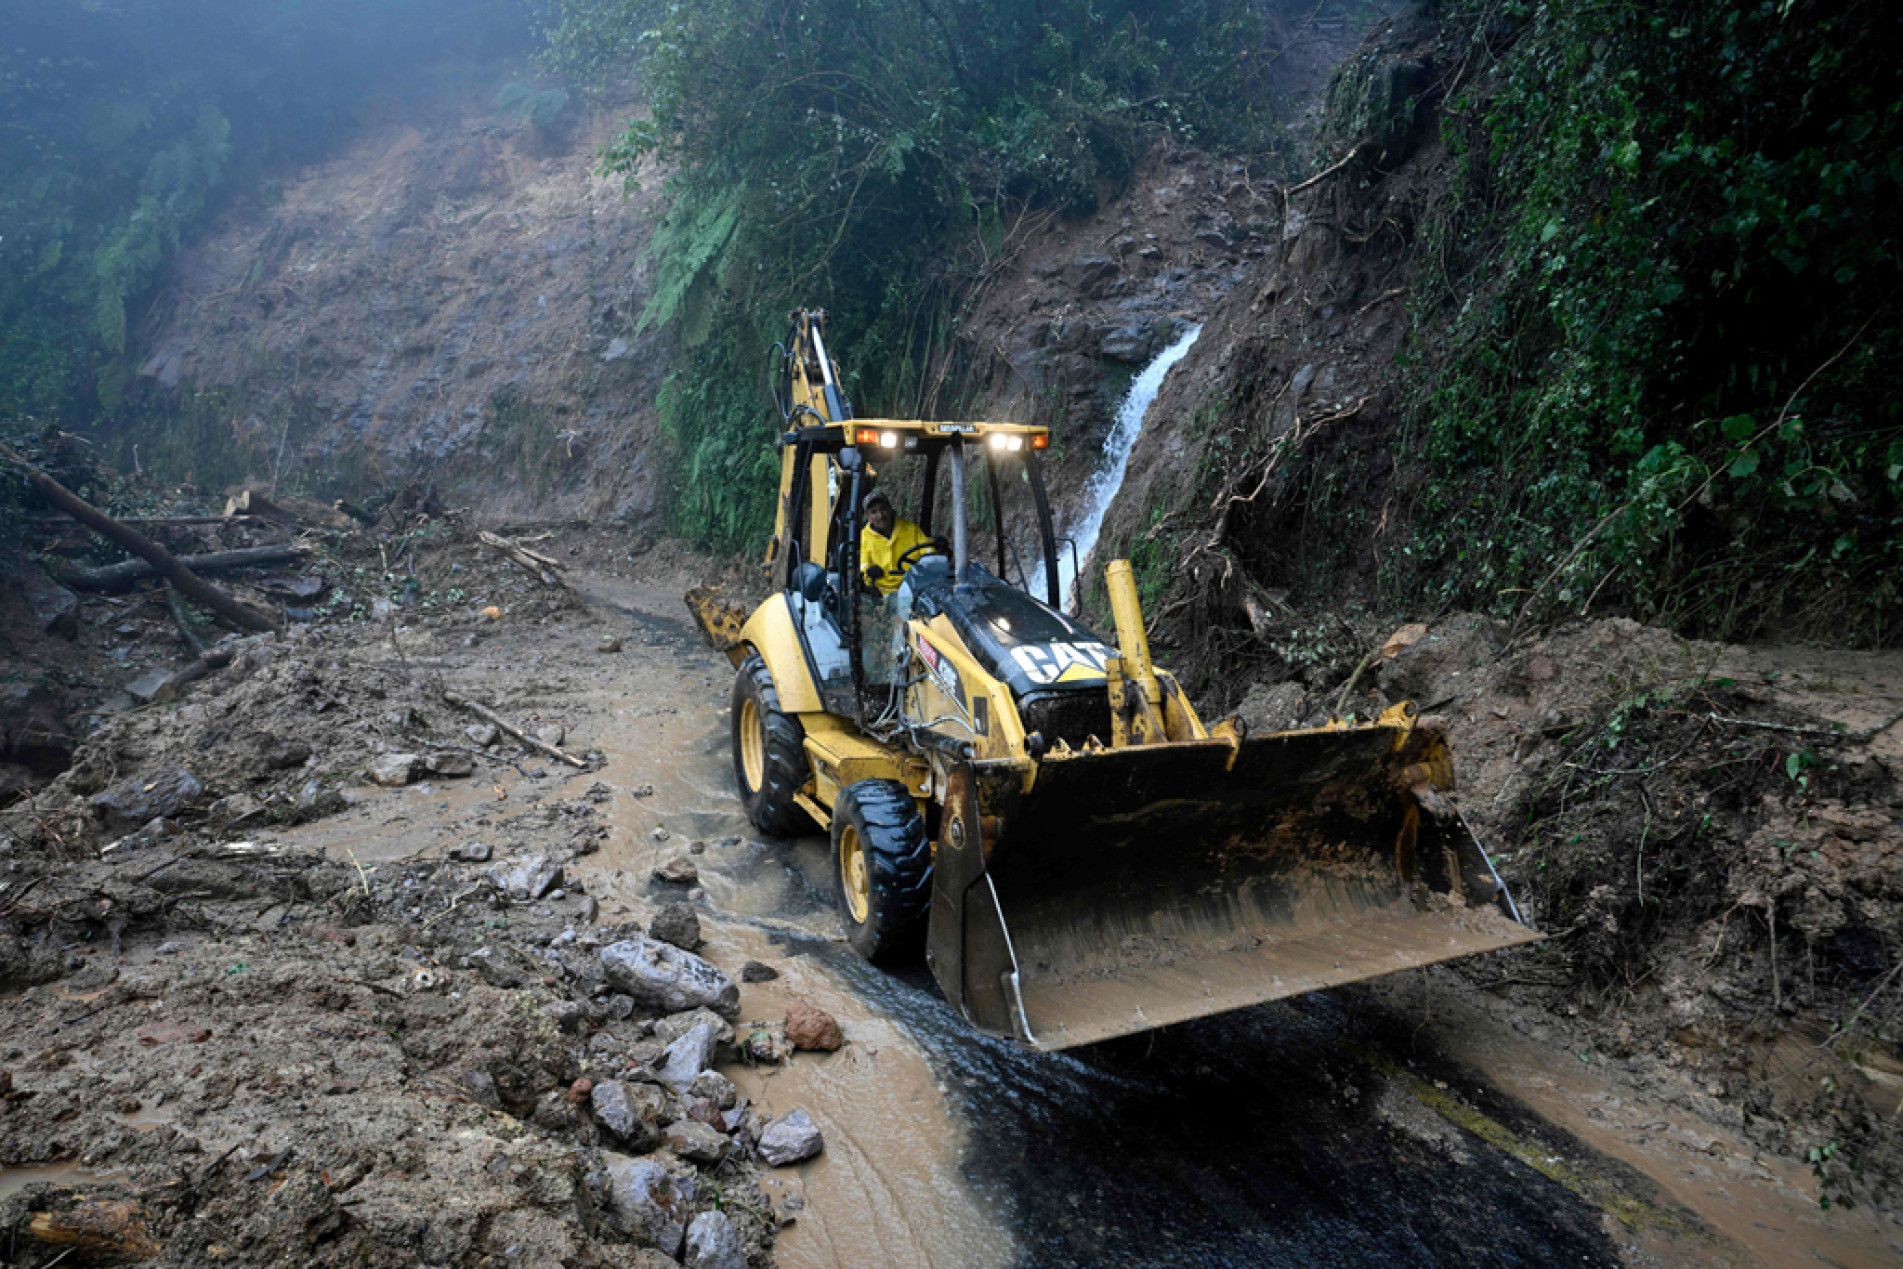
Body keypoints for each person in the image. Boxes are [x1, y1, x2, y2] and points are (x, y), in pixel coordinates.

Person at [859, 489, 930, 595]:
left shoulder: (911, 530)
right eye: (874, 512)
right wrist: (868, 573)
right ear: (868, 517)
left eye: (883, 509)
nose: (880, 516)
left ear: (890, 508)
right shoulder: (864, 538)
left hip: (913, 589)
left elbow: (929, 553)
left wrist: (937, 553)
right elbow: (862, 567)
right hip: (882, 593)